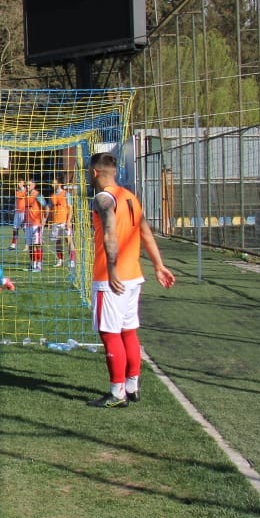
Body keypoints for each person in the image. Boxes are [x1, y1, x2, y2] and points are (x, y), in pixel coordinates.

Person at [87, 152, 176, 408]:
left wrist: (112, 270)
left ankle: (117, 394)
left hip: (110, 278)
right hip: (134, 276)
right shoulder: (130, 197)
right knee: (128, 331)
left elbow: (111, 234)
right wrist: (159, 265)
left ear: (94, 173)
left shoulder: (103, 199)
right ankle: (132, 385)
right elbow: (145, 232)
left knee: (109, 333)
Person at [48, 181, 76, 268]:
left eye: (54, 183)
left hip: (64, 221)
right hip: (55, 222)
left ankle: (72, 261)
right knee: (57, 242)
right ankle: (60, 260)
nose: (52, 185)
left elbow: (70, 208)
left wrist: (69, 221)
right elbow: (49, 209)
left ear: (59, 184)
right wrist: (49, 221)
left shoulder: (66, 194)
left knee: (69, 240)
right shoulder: (52, 196)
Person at [24, 179, 46, 272]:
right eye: (26, 185)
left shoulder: (38, 195)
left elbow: (46, 207)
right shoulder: (26, 195)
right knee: (30, 245)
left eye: (29, 185)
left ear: (34, 185)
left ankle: (39, 266)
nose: (27, 187)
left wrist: (44, 220)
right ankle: (33, 265)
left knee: (37, 245)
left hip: (36, 224)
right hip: (28, 224)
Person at [9, 178, 29, 250]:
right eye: (18, 182)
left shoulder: (25, 191)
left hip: (23, 212)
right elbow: (16, 200)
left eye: (20, 182)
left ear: (23, 183)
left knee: (25, 229)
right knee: (15, 228)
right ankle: (13, 245)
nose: (19, 184)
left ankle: (27, 245)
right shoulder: (17, 191)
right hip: (17, 212)